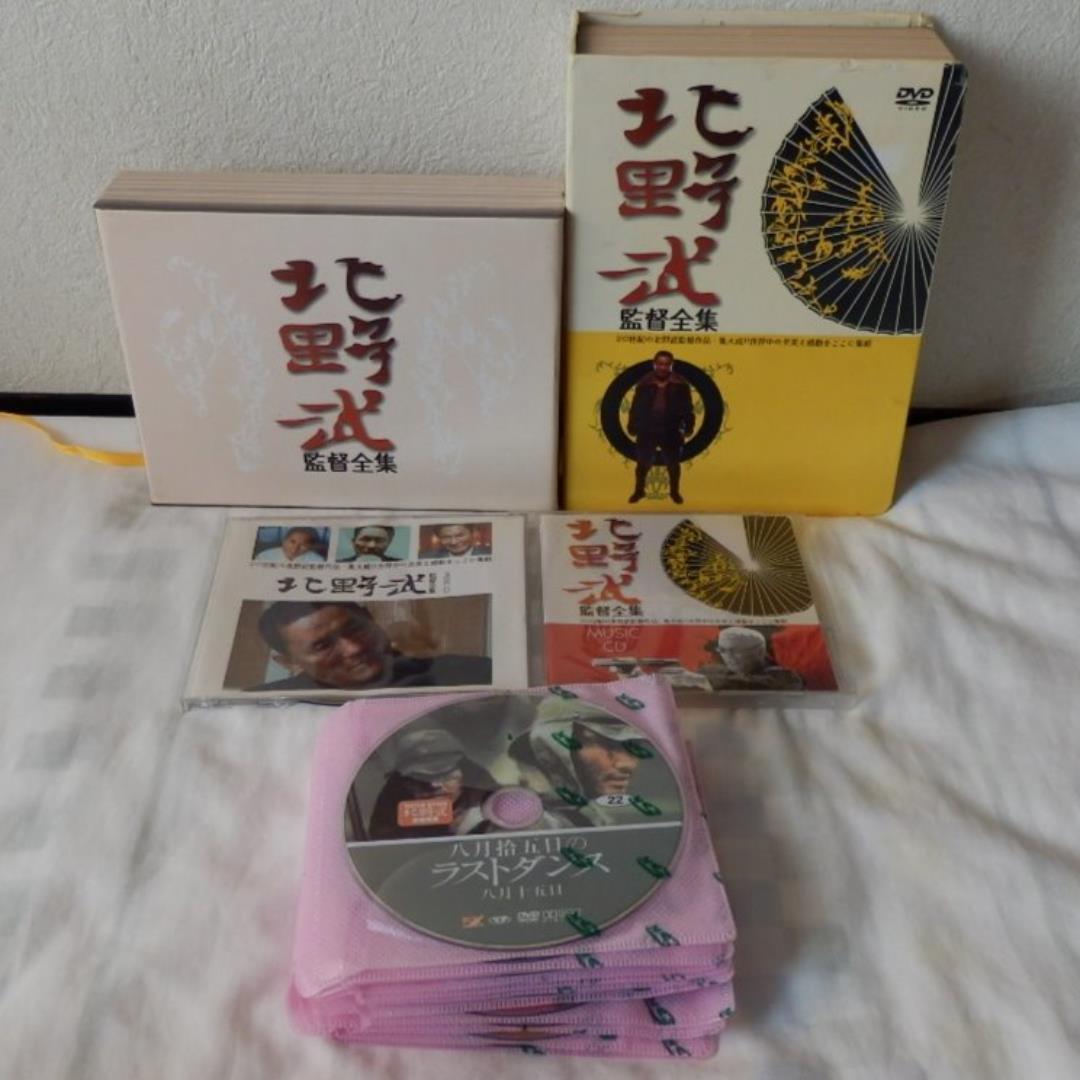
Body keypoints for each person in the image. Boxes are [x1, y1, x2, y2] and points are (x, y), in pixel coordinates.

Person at [247, 601, 492, 691]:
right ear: (289, 662)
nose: (353, 648)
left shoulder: (474, 674)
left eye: (355, 629)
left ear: (371, 619)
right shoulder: (263, 706)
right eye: (322, 646)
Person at [507, 699, 656, 827]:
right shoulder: (524, 823)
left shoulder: (591, 817)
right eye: (607, 745)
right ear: (552, 748)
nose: (627, 764)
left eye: (634, 748)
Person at [367, 729, 498, 840]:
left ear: (466, 773)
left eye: (444, 775)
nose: (434, 785)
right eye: (420, 779)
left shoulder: (493, 804)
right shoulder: (391, 809)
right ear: (404, 783)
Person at [626, 350, 694, 505]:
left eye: (666, 364)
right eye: (660, 364)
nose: (663, 367)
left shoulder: (680, 384)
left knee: (673, 464)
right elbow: (635, 406)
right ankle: (639, 491)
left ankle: (674, 492)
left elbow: (687, 408)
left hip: (671, 428)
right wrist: (632, 424)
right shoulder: (644, 383)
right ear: (655, 364)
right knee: (642, 464)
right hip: (647, 428)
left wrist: (689, 426)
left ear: (671, 365)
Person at [698, 626, 803, 691]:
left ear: (759, 652)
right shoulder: (711, 672)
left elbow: (754, 685)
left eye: (736, 651)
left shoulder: (786, 677)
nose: (729, 657)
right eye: (723, 650)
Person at [253, 526, 325, 564]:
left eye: (303, 545)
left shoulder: (318, 560)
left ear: (310, 547)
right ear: (284, 540)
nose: (295, 548)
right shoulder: (264, 556)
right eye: (292, 542)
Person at [427, 523, 492, 558]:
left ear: (472, 533)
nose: (453, 542)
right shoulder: (428, 557)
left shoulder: (489, 554)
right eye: (446, 537)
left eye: (459, 535)